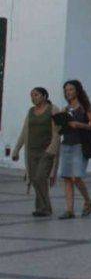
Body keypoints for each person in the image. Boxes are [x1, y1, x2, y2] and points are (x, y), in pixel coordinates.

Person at [7, 87, 59, 217]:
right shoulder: (31, 111)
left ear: (44, 96)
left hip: (47, 151)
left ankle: (46, 207)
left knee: (41, 177)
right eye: (31, 95)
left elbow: (57, 132)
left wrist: (52, 149)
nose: (33, 97)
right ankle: (41, 208)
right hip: (31, 151)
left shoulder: (53, 110)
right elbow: (25, 131)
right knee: (35, 180)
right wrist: (16, 150)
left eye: (36, 95)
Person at [55, 80, 91, 219]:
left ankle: (88, 200)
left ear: (77, 91)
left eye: (71, 89)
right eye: (66, 90)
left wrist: (79, 124)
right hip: (66, 143)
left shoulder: (85, 108)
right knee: (67, 177)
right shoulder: (65, 109)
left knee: (76, 177)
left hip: (80, 145)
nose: (68, 92)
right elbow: (60, 128)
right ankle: (69, 210)